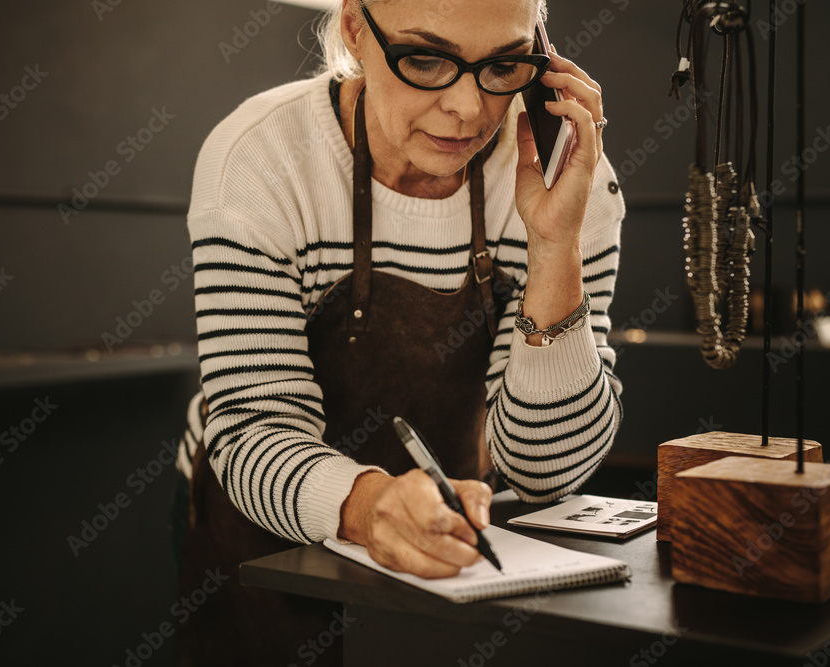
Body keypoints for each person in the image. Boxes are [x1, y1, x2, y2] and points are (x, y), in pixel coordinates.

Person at [172, 0, 625, 664]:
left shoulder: (565, 179)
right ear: (355, 30)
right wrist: (370, 502)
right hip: (257, 524)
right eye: (426, 59)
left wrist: (555, 245)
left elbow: (546, 471)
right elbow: (253, 429)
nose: (469, 108)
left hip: (445, 539)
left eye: (503, 64)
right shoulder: (260, 158)